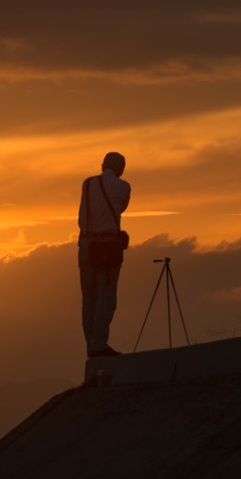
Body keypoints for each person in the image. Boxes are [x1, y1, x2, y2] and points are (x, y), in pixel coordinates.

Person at [78, 152, 131, 356]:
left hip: (85, 244)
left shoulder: (87, 183)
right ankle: (98, 345)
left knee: (89, 298)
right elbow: (121, 208)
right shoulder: (124, 187)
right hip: (108, 245)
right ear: (121, 169)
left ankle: (91, 344)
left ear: (102, 166)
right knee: (106, 299)